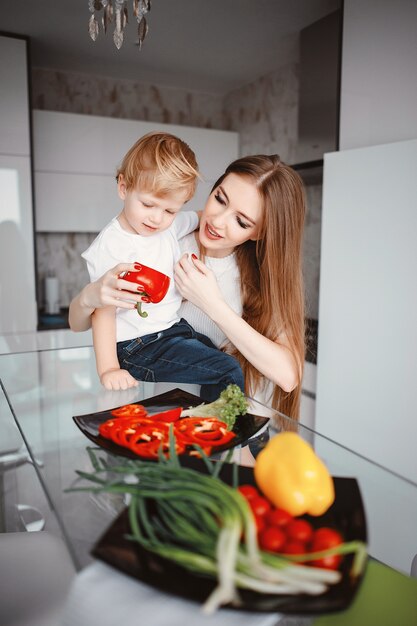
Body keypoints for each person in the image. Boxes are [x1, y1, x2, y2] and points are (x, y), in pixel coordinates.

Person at [70, 154, 305, 421]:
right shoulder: (162, 240)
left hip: (234, 426)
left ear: (260, 233)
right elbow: (82, 321)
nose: (217, 221)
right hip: (166, 422)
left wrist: (212, 304)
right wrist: (88, 297)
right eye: (219, 199)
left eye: (241, 221)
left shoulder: (262, 276)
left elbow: (288, 377)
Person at [77, 131, 244, 401]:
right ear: (123, 187)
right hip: (136, 347)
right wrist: (108, 368)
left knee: (220, 358)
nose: (157, 218)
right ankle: (231, 437)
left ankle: (205, 423)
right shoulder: (111, 246)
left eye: (169, 210)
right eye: (148, 204)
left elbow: (202, 218)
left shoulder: (168, 226)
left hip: (172, 332)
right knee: (227, 369)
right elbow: (103, 312)